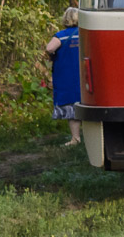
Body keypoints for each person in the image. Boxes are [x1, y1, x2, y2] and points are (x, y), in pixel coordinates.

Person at [46, 7, 81, 146]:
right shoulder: (85, 33)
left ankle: (75, 138)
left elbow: (49, 48)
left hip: (67, 76)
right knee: (86, 104)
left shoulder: (61, 35)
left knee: (71, 106)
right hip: (85, 75)